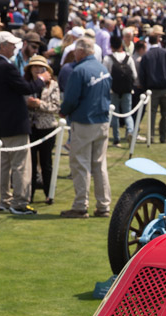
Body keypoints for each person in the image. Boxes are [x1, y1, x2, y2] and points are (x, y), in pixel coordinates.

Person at [0, 30, 46, 215]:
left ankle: (4, 200)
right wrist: (41, 80)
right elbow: (25, 88)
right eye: (11, 44)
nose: (15, 47)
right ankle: (19, 202)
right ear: (3, 46)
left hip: (1, 124)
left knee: (5, 165)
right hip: (14, 123)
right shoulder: (6, 67)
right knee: (21, 165)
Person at [59, 36, 111, 219]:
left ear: (81, 51)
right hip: (102, 121)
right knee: (99, 165)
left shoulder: (79, 71)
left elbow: (71, 99)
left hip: (84, 122)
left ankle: (81, 205)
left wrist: (63, 111)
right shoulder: (102, 68)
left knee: (80, 164)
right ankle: (103, 205)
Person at [26, 54, 60, 205]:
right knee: (30, 163)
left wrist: (39, 104)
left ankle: (49, 194)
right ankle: (29, 194)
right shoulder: (26, 83)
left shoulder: (53, 85)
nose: (37, 69)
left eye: (40, 66)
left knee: (46, 163)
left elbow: (56, 107)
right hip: (31, 127)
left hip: (47, 128)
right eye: (34, 66)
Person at [138, 31, 166, 144]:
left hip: (152, 88)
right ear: (158, 41)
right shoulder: (165, 53)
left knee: (152, 114)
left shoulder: (147, 55)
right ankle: (163, 137)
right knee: (165, 114)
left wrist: (144, 86)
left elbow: (141, 73)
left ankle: (151, 136)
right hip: (165, 87)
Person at [103, 34, 136, 146]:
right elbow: (134, 75)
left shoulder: (108, 59)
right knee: (128, 113)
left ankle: (116, 138)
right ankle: (130, 131)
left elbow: (105, 76)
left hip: (113, 90)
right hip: (127, 90)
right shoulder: (128, 58)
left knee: (114, 114)